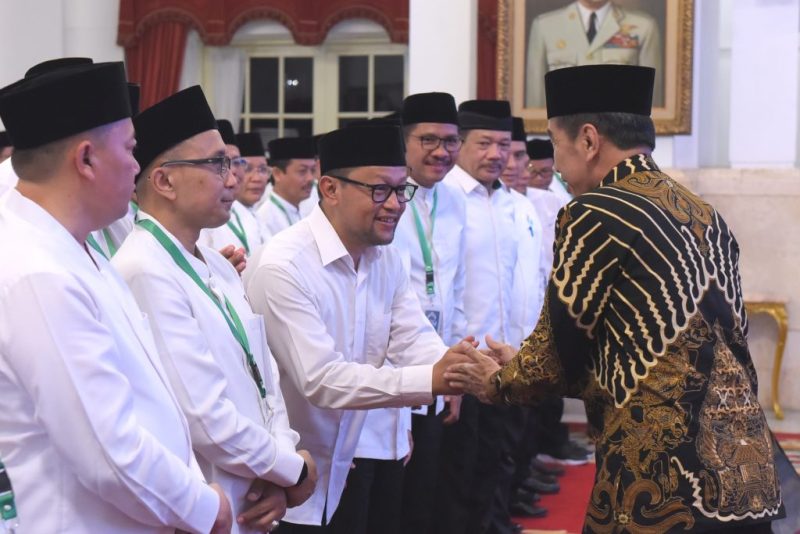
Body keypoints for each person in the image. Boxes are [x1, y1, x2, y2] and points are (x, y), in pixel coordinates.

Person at [445, 64, 785, 533]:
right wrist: (523, 363)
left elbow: (558, 352)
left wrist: (501, 381)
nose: (557, 165)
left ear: (588, 140)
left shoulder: (593, 213)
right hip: (743, 471)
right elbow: (665, 354)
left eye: (557, 144)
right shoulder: (704, 213)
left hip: (662, 481)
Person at [0, 60, 231, 533]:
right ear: (85, 160)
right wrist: (206, 508)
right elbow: (108, 451)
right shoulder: (38, 272)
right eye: (130, 149)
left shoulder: (76, 247)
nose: (136, 165)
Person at [245, 124, 474, 532]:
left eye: (401, 190)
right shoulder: (284, 266)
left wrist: (455, 366)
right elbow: (322, 381)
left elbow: (410, 336)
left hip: (351, 459)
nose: (395, 205)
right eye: (380, 190)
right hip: (285, 487)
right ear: (330, 189)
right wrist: (433, 378)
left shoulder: (383, 258)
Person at [112, 85, 318, 534]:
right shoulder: (142, 268)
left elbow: (264, 382)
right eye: (216, 164)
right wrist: (292, 470)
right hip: (209, 502)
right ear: (163, 180)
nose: (233, 179)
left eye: (231, 163)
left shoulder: (217, 264)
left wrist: (280, 470)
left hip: (257, 493)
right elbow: (203, 417)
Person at [433, 99, 521, 534]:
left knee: (497, 456)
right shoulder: (445, 199)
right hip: (463, 359)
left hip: (505, 358)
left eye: (503, 145)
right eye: (484, 143)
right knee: (459, 469)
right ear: (461, 145)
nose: (495, 154)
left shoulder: (509, 203)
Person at [391, 92, 467, 534]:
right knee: (394, 494)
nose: (442, 152)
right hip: (394, 371)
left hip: (437, 363)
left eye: (451, 141)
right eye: (429, 140)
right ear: (405, 142)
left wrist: (453, 372)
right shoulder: (386, 198)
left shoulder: (454, 200)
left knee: (426, 491)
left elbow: (451, 290)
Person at [526, 0, 663, 108]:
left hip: (621, 136)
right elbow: (536, 102)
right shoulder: (545, 26)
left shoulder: (644, 27)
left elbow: (652, 103)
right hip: (564, 136)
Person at [204, 132, 271, 255]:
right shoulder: (204, 216)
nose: (257, 178)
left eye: (237, 163)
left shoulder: (249, 214)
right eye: (221, 164)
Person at [256, 137, 317, 236]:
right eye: (302, 171)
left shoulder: (298, 209)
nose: (310, 178)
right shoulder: (266, 219)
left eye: (312, 170)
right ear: (277, 174)